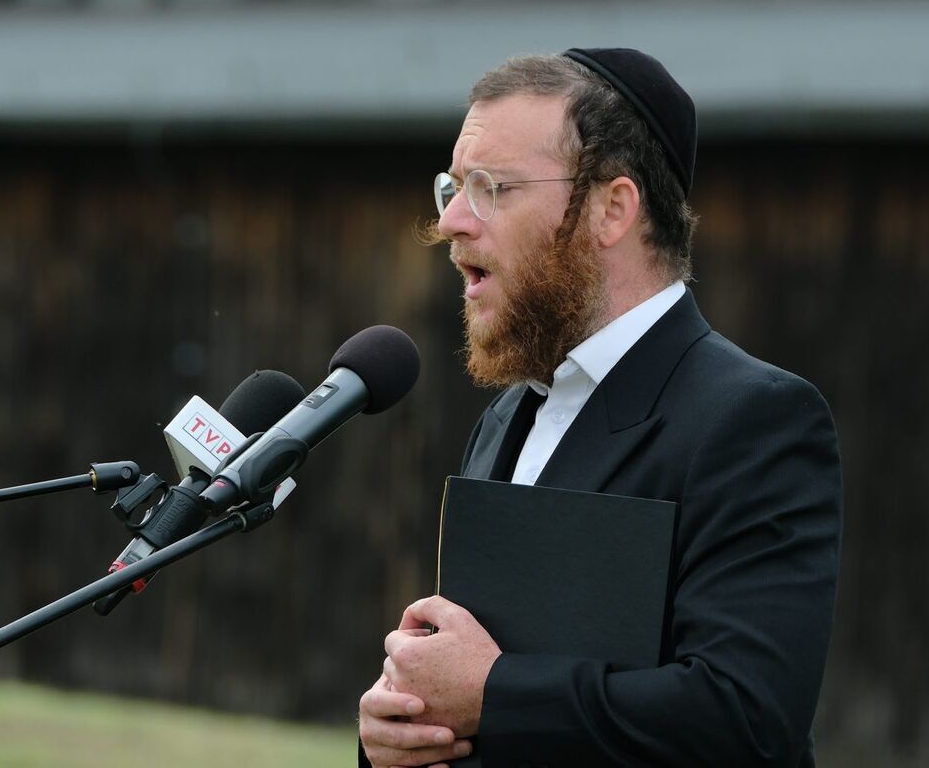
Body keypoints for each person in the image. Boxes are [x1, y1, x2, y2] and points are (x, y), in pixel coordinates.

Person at [357, 48, 843, 767]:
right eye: (451, 187)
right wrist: (402, 732)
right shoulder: (506, 420)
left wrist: (492, 691)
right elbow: (472, 698)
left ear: (612, 209)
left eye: (491, 187)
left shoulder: (755, 420)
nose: (452, 221)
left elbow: (746, 718)